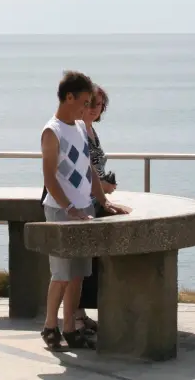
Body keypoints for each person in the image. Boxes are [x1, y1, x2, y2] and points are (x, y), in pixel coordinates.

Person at [39, 71, 129, 350]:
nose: (88, 108)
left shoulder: (79, 128)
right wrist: (68, 207)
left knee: (78, 274)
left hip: (84, 209)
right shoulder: (51, 131)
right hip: (60, 212)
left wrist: (103, 201)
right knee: (62, 274)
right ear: (69, 97)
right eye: (84, 101)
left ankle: (70, 328)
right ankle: (49, 326)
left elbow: (89, 169)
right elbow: (50, 177)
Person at [76, 84, 116, 332]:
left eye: (98, 104)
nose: (93, 109)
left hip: (95, 200)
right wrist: (102, 187)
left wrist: (105, 187)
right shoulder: (76, 132)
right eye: (89, 103)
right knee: (79, 265)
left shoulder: (91, 131)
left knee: (89, 265)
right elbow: (79, 173)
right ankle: (76, 318)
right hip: (83, 202)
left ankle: (81, 315)